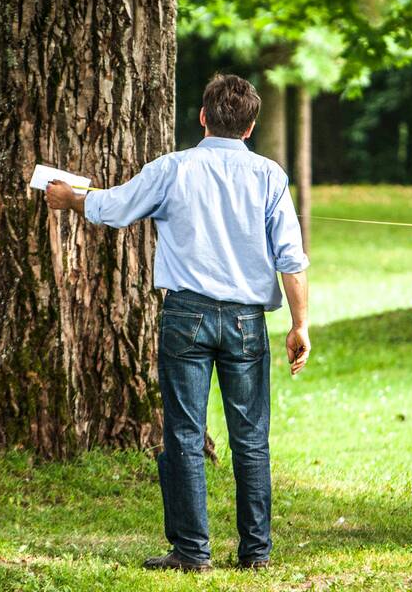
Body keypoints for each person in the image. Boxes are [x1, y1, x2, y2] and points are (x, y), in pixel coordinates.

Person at [45, 73, 310, 572]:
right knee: (251, 438)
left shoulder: (173, 169)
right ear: (251, 127)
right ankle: (256, 553)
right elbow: (291, 260)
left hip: (185, 315)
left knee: (185, 434)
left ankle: (192, 552)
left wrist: (71, 199)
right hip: (246, 323)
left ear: (203, 117)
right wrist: (300, 324)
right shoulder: (270, 176)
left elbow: (117, 207)